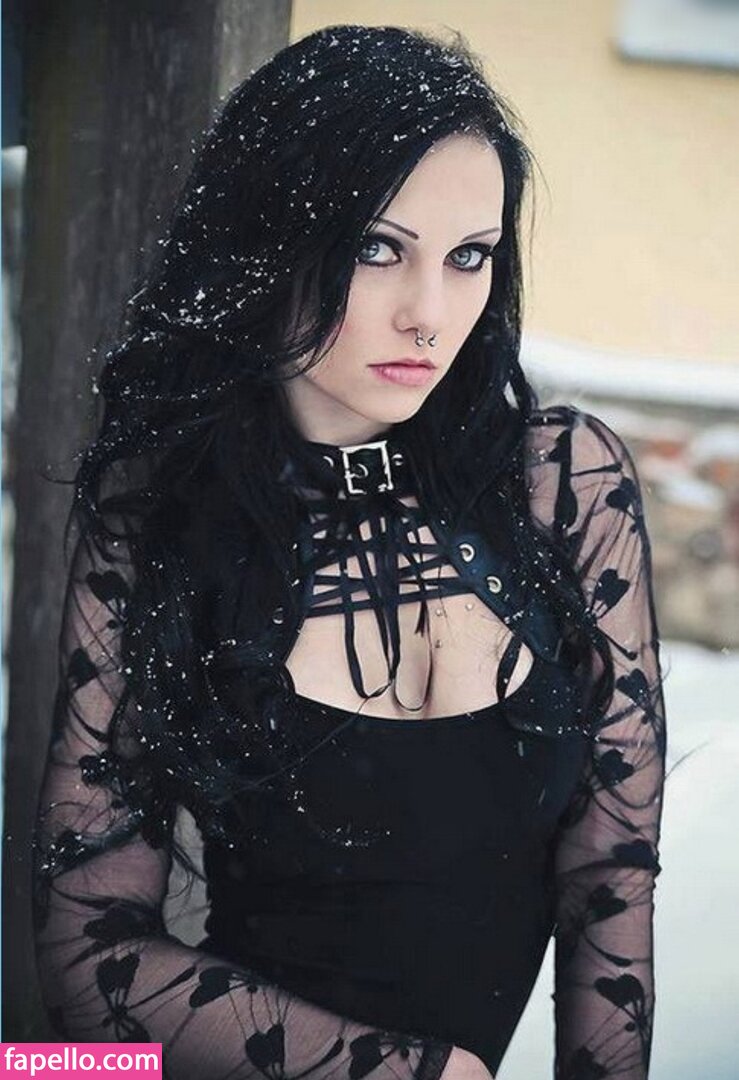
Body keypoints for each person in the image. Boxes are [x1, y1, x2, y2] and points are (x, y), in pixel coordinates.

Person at [32, 24, 666, 1080]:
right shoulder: (162, 523)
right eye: (377, 249)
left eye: (469, 257)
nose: (429, 314)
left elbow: (613, 869)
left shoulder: (562, 484)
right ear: (269, 240)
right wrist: (415, 1072)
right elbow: (86, 964)